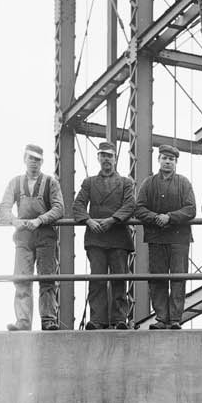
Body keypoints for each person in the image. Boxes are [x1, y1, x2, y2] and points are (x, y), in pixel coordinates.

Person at [0, 144, 64, 331]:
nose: (34, 163)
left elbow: (59, 208)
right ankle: (23, 322)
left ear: (42, 162)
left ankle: (48, 320)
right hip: (23, 237)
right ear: (24, 159)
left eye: (37, 159)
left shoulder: (51, 182)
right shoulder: (15, 182)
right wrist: (14, 221)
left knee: (47, 279)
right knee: (22, 278)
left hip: (45, 235)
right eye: (30, 158)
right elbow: (3, 207)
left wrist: (40, 220)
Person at [72, 140, 135, 329]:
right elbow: (78, 205)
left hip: (117, 238)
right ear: (98, 157)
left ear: (115, 159)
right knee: (97, 279)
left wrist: (112, 220)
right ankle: (97, 319)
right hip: (96, 238)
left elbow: (130, 205)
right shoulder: (89, 182)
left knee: (119, 279)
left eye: (110, 155)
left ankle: (119, 319)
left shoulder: (125, 182)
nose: (106, 159)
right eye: (103, 155)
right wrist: (89, 221)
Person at [135, 144, 195, 329]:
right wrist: (155, 218)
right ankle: (161, 317)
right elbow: (139, 208)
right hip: (156, 238)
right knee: (158, 278)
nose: (167, 162)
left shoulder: (184, 183)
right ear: (159, 160)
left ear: (176, 162)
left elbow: (191, 209)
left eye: (171, 159)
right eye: (164, 158)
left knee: (178, 278)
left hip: (179, 238)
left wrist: (169, 217)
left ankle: (175, 318)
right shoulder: (149, 183)